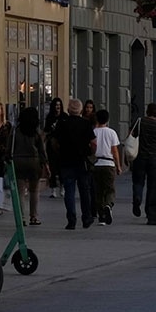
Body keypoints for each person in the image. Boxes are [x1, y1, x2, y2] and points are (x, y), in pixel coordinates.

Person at [53, 98, 96, 230]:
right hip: (82, 161)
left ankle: (71, 220)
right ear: (81, 110)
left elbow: (54, 142)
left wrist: (59, 151)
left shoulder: (62, 123)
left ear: (68, 110)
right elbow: (94, 143)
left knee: (69, 192)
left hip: (66, 161)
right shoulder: (86, 123)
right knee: (84, 190)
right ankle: (86, 217)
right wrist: (91, 154)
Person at [12, 106, 48, 226]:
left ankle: (22, 218)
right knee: (34, 190)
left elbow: (10, 147)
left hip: (18, 162)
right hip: (34, 163)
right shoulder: (36, 132)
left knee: (21, 192)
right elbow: (42, 150)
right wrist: (45, 164)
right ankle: (34, 217)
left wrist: (7, 159)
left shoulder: (15, 131)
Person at [91, 108, 122, 225]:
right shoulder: (111, 132)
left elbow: (91, 148)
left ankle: (101, 216)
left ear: (97, 119)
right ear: (107, 120)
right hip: (109, 164)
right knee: (110, 189)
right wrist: (118, 165)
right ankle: (108, 205)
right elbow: (115, 150)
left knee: (98, 190)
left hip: (97, 164)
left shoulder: (93, 132)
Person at [132, 102, 156, 218]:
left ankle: (137, 197)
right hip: (154, 158)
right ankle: (149, 209)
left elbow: (132, 137)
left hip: (140, 156)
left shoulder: (140, 122)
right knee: (152, 185)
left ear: (147, 111)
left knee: (138, 181)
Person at [43, 98, 65, 198]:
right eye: (56, 105)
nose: (58, 107)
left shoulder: (64, 117)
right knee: (52, 166)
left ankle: (62, 187)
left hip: (62, 145)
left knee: (61, 167)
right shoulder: (50, 117)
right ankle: (53, 189)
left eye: (59, 105)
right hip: (51, 145)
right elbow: (46, 130)